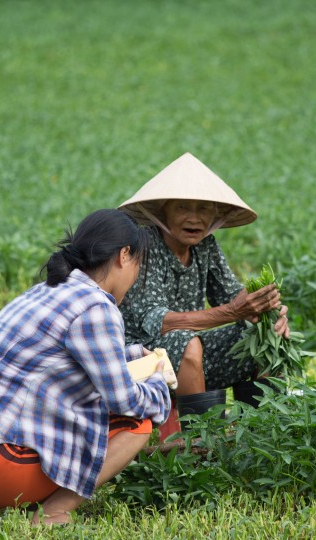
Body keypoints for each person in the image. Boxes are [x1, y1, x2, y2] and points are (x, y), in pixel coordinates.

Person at [0, 209, 172, 526]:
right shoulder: (97, 306)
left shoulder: (47, 289)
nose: (136, 277)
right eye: (139, 265)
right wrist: (158, 384)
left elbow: (73, 359)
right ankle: (53, 512)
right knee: (137, 422)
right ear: (124, 255)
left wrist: (135, 354)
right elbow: (123, 400)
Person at [118, 152, 290, 425]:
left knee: (261, 332)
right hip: (138, 362)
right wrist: (234, 311)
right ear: (164, 210)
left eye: (203, 209)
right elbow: (158, 324)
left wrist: (268, 312)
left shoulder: (205, 246)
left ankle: (263, 430)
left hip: (187, 356)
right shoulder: (146, 244)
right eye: (182, 208)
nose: (194, 218)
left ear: (215, 215)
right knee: (187, 343)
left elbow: (233, 295)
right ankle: (203, 444)